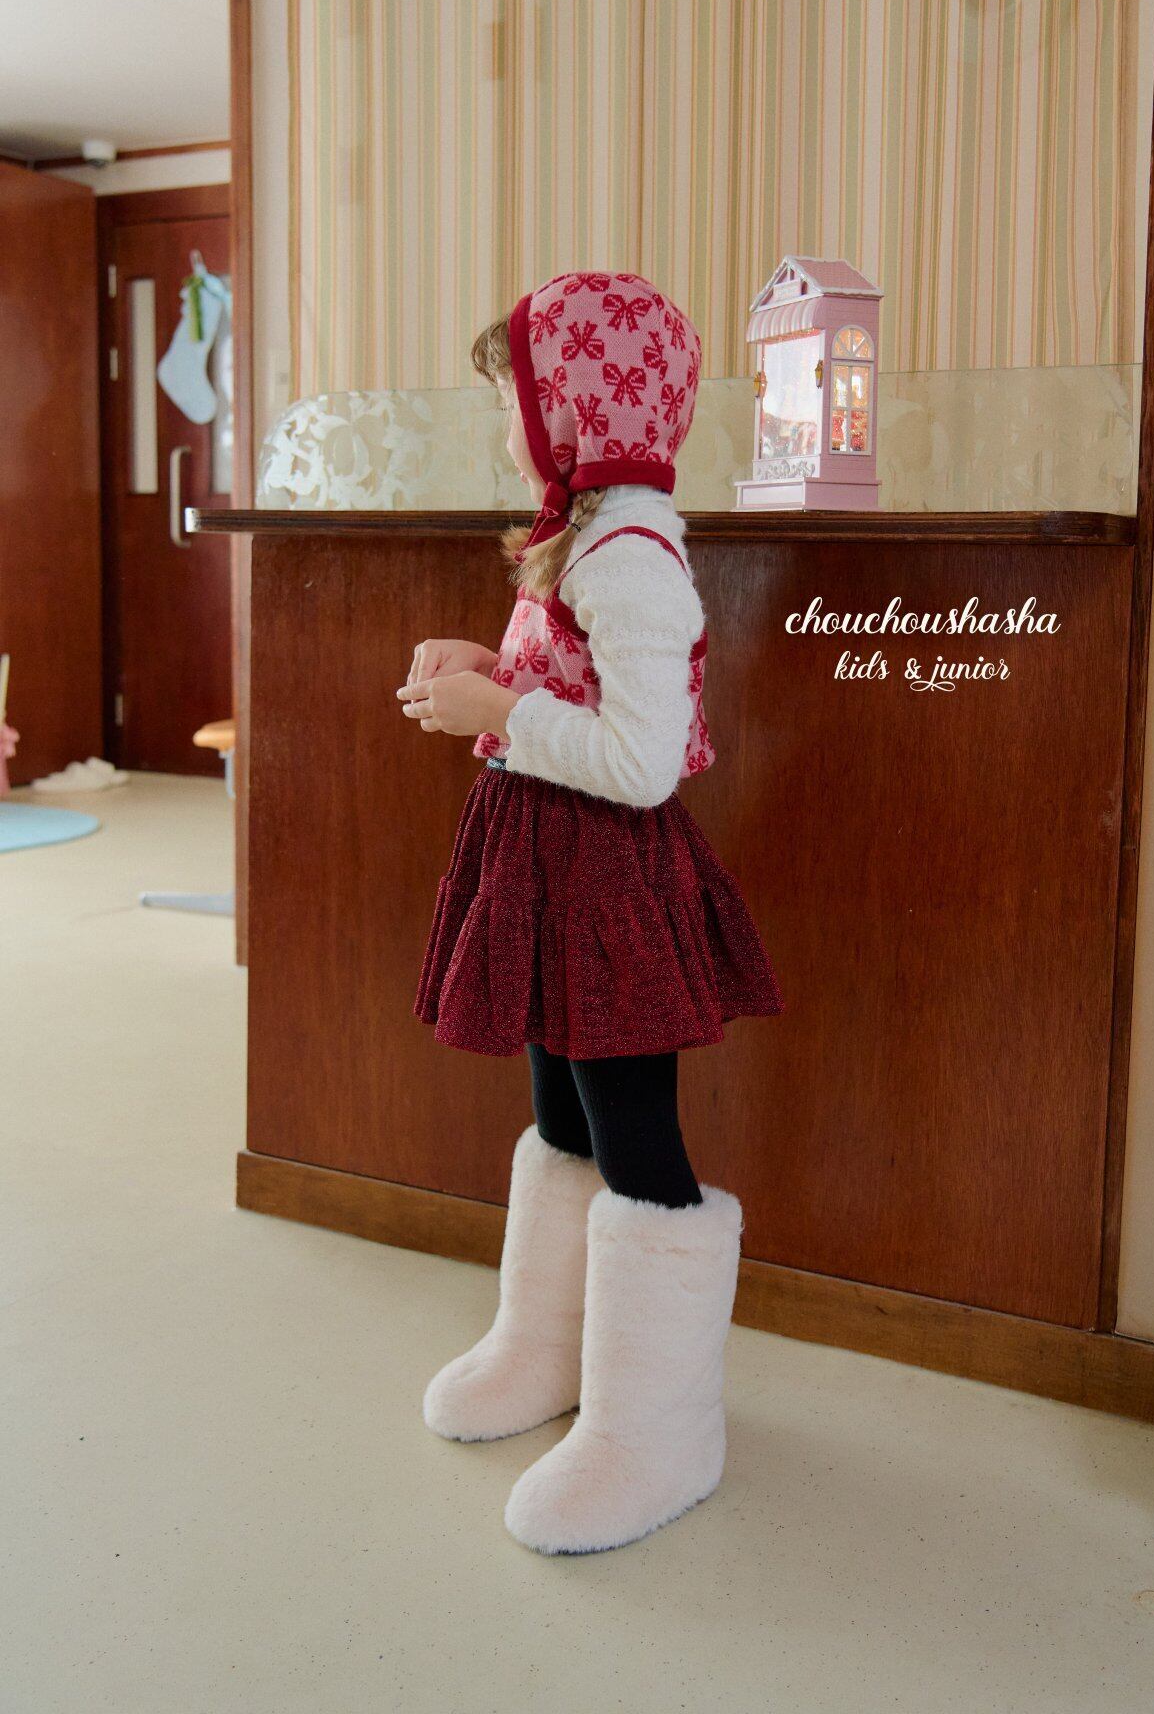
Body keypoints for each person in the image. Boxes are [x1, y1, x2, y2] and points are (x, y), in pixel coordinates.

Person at [398, 271, 782, 1554]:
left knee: (631, 1135)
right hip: (546, 858)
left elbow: (643, 759)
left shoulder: (629, 555)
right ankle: (550, 1348)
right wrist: (488, 667)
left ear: (574, 408)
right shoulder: (580, 534)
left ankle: (656, 1429)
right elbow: (575, 684)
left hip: (607, 874)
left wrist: (501, 712)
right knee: (561, 1112)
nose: (502, 427)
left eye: (511, 400)